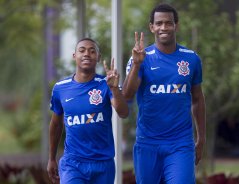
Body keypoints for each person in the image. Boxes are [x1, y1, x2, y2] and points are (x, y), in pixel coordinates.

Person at [122, 3, 206, 184]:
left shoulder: (191, 59)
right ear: (151, 27)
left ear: (176, 25)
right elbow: (127, 95)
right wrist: (136, 65)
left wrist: (201, 138)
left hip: (180, 143)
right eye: (159, 23)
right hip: (147, 143)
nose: (163, 27)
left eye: (168, 23)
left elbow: (198, 99)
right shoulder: (141, 58)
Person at [47, 38, 129, 184]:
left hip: (103, 163)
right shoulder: (60, 88)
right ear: (74, 56)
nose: (87, 54)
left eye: (92, 51)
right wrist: (51, 158)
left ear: (98, 57)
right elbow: (56, 124)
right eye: (82, 50)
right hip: (73, 163)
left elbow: (123, 112)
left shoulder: (106, 84)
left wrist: (115, 89)